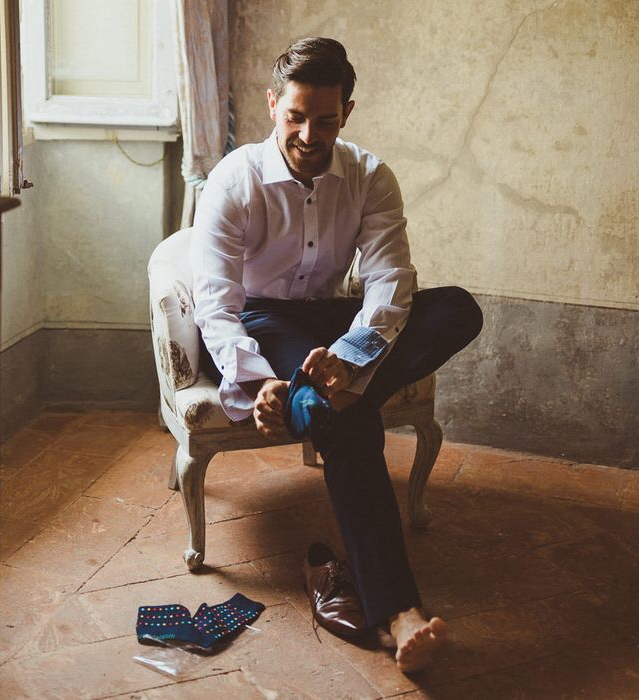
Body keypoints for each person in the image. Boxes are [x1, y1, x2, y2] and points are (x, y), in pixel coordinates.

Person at [190, 36, 482, 673]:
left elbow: (390, 281)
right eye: (295, 115)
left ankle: (313, 398)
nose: (307, 132)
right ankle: (399, 609)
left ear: (346, 112)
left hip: (332, 322)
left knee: (458, 307)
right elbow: (215, 302)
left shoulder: (371, 176)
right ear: (273, 105)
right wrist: (258, 378)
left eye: (325, 119)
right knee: (346, 415)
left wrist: (352, 357)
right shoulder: (232, 182)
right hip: (263, 321)